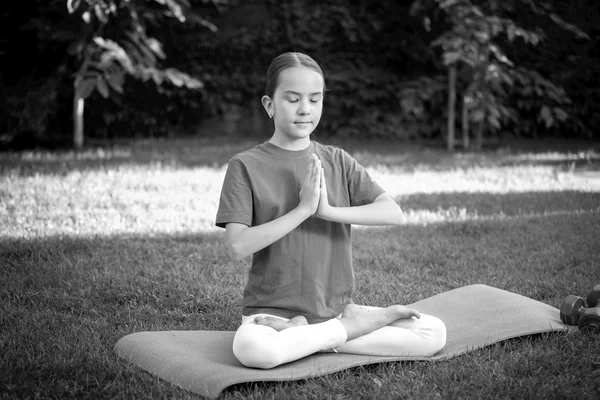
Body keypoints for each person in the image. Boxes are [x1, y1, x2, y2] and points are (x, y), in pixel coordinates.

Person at [215, 52, 446, 369]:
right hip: (268, 316)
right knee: (253, 349)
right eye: (293, 99)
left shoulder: (337, 159)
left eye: (315, 99)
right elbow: (237, 245)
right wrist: (303, 209)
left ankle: (316, 335)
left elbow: (392, 212)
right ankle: (346, 331)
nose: (305, 109)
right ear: (269, 105)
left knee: (432, 333)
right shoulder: (245, 165)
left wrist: (326, 211)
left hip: (333, 310)